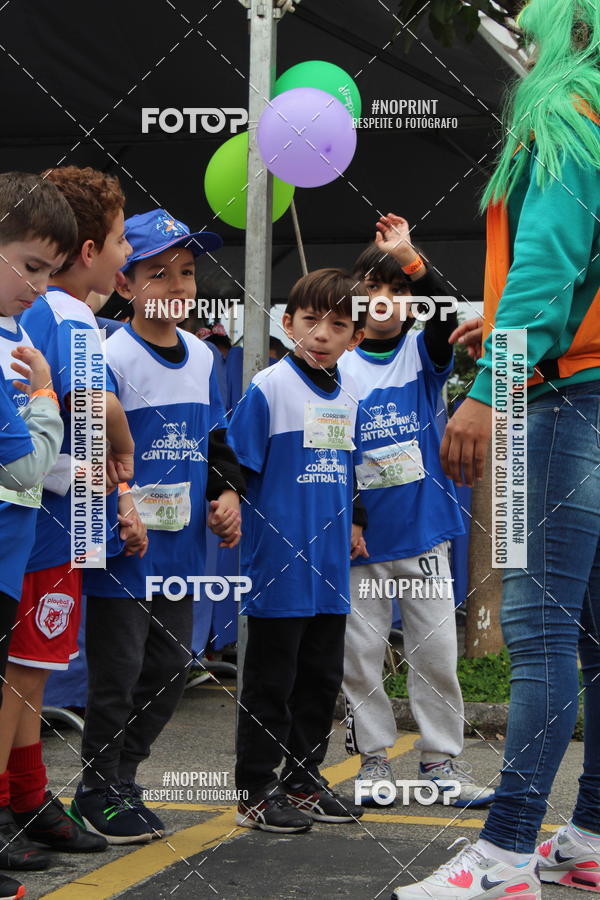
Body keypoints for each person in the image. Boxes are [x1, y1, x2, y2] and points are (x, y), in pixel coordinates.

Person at [392, 0, 600, 896]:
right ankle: (587, 837)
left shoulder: (565, 112)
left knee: (541, 633)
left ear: (570, 34)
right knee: (591, 641)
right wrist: (505, 327)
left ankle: (507, 852)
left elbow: (549, 266)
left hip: (556, 404)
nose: (519, 37)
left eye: (532, 24)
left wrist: (487, 390)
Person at [71, 208, 245, 843]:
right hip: (123, 550)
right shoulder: (109, 354)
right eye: (159, 274)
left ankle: (124, 777)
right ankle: (97, 789)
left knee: (171, 671)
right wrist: (119, 501)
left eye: (188, 273)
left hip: (182, 555)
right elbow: (90, 444)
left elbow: (217, 437)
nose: (177, 287)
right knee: (116, 677)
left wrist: (227, 492)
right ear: (124, 285)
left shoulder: (203, 356)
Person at [0, 165, 135, 875]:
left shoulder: (38, 308)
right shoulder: (69, 312)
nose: (125, 257)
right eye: (119, 241)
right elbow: (88, 402)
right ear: (89, 250)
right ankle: (17, 800)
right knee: (25, 672)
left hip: (54, 503)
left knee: (31, 669)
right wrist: (124, 444)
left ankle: (27, 796)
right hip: (51, 506)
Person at [340, 213, 494, 809]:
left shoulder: (421, 353)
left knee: (436, 657)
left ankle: (440, 765)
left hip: (426, 537)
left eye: (399, 290)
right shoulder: (335, 369)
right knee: (360, 661)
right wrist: (352, 516)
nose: (387, 299)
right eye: (374, 286)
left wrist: (411, 259)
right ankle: (374, 764)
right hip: (361, 546)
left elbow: (450, 316)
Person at [227, 268, 367, 833]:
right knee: (270, 684)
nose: (323, 333)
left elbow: (350, 470)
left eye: (338, 325)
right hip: (279, 571)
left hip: (329, 571)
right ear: (288, 325)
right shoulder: (270, 387)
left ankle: (304, 783)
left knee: (319, 683)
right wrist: (225, 498)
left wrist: (355, 520)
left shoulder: (350, 395)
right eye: (311, 321)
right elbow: (228, 452)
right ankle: (256, 792)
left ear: (354, 338)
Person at [0, 171, 77, 900]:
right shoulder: (14, 355)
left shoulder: (14, 336)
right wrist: (48, 397)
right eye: (28, 266)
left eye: (50, 273)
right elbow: (27, 465)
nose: (39, 287)